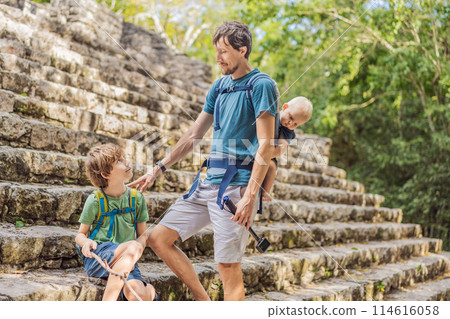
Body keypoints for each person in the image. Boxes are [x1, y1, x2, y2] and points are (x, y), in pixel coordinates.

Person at [129, 20, 278, 301]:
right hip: (208, 182)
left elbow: (266, 146)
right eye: (216, 51)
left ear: (242, 50)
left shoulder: (261, 86)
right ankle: (204, 302)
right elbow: (193, 134)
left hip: (236, 189)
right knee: (158, 238)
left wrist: (250, 196)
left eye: (223, 51)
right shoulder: (219, 87)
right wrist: (158, 168)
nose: (218, 57)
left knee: (228, 268)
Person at [75, 143, 158, 301]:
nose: (127, 162)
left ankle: (150, 292)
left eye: (124, 157)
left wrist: (137, 248)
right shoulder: (95, 200)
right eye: (119, 161)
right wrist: (85, 242)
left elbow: (142, 236)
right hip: (101, 256)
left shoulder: (137, 199)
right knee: (132, 246)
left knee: (138, 295)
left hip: (128, 259)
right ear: (105, 174)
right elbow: (80, 234)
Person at [261, 96, 313, 201]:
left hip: (270, 155)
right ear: (284, 107)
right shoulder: (271, 116)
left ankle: (265, 191)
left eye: (295, 124)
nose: (290, 124)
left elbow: (281, 148)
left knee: (272, 167)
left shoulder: (288, 131)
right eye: (291, 118)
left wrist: (266, 156)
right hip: (258, 147)